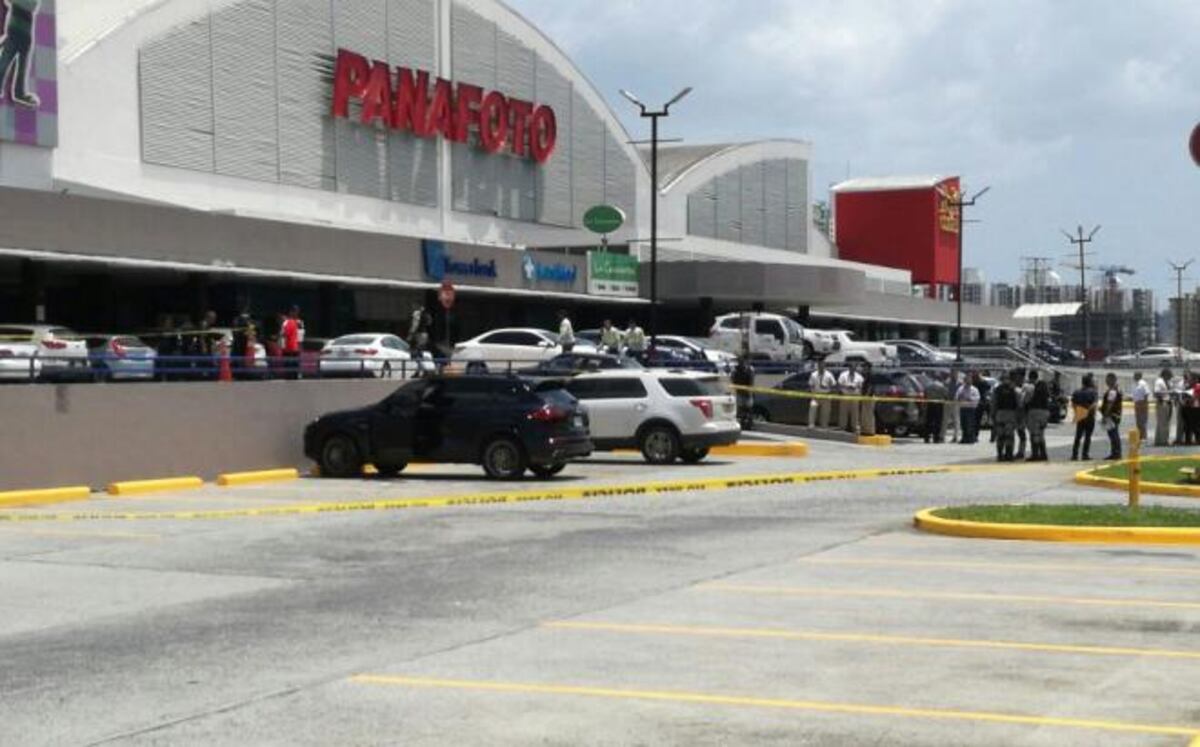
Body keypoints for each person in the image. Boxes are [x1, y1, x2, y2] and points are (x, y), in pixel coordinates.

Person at [0, 0, 41, 109]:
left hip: (24, 34)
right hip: (15, 31)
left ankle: (19, 92)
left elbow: (32, 6)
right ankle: (19, 93)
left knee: (22, 67)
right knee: (5, 62)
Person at [1070, 373, 1099, 461]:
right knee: (1088, 436)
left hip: (1080, 413)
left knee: (1078, 436)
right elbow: (1094, 404)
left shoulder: (1077, 391)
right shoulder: (1093, 391)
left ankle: (1074, 454)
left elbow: (1073, 403)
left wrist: (1077, 412)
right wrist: (1089, 410)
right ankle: (1085, 454)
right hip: (1089, 415)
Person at [991, 372, 1019, 462]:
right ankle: (1009, 454)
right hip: (1010, 414)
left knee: (1001, 435)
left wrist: (993, 414)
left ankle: (1000, 455)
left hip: (1000, 413)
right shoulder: (1013, 389)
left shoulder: (997, 389)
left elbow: (994, 403)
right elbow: (1018, 403)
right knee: (1009, 435)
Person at [1026, 370, 1051, 462]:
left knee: (1034, 433)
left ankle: (1035, 454)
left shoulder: (1032, 387)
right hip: (1045, 411)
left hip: (1035, 411)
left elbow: (1027, 399)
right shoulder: (1044, 385)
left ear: (1031, 378)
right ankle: (1043, 454)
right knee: (1041, 433)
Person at [1099, 372, 1123, 460]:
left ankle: (1116, 453)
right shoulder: (1116, 390)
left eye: (1107, 379)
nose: (1106, 381)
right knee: (1113, 434)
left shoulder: (1112, 391)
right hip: (1115, 415)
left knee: (1113, 434)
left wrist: (1105, 416)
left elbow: (1110, 404)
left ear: (1112, 380)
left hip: (1112, 416)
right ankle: (1115, 452)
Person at [808, 360, 836, 428]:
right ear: (818, 366)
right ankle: (811, 425)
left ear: (824, 366)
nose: (821, 367)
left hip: (826, 395)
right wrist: (813, 393)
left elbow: (834, 384)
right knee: (813, 407)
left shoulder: (829, 375)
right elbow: (810, 385)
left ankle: (824, 425)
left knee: (825, 412)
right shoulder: (813, 374)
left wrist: (828, 386)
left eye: (822, 365)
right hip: (816, 395)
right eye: (819, 365)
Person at [837, 363, 864, 435]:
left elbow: (861, 387)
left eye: (854, 367)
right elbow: (839, 384)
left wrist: (855, 388)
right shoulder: (843, 375)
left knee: (855, 412)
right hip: (845, 395)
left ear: (855, 368)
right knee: (843, 412)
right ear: (849, 368)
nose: (852, 369)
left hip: (855, 396)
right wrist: (846, 387)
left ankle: (854, 427)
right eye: (851, 367)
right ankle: (842, 427)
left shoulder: (859, 377)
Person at [922, 372, 948, 443]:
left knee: (928, 421)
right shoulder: (942, 386)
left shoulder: (928, 385)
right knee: (938, 422)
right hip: (939, 405)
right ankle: (936, 438)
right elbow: (946, 395)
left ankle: (926, 437)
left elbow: (925, 394)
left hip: (930, 404)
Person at [955, 373, 980, 444]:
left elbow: (977, 398)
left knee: (970, 424)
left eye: (969, 380)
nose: (967, 382)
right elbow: (956, 397)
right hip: (963, 408)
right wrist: (959, 397)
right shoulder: (961, 389)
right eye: (966, 380)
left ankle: (971, 438)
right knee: (963, 424)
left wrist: (970, 399)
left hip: (971, 409)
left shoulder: (974, 389)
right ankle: (964, 438)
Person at [731, 355, 755, 430]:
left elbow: (751, 381)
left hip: (745, 392)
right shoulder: (736, 370)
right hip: (742, 392)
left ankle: (747, 423)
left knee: (747, 409)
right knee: (743, 409)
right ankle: (744, 423)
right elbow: (733, 380)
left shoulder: (748, 369)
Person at [281, 305, 303, 380]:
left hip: (293, 348)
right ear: (291, 312)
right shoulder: (289, 322)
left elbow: (284, 334)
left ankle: (293, 377)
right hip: (290, 348)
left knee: (292, 367)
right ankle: (291, 377)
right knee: (291, 367)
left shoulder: (297, 322)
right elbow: (284, 335)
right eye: (295, 311)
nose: (297, 313)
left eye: (297, 312)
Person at [1013, 369, 1032, 460]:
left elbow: (1024, 401)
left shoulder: (1026, 387)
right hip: (1015, 412)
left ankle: (1021, 451)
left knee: (1022, 433)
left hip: (1022, 413)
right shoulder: (1015, 387)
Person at [1154, 368, 1173, 447]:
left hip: (1168, 402)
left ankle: (1159, 440)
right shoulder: (1159, 382)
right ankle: (1163, 441)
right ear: (1165, 374)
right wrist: (1168, 392)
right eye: (1169, 376)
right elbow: (1156, 392)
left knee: (1164, 423)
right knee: (1163, 423)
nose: (1170, 378)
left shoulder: (1168, 382)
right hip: (1162, 402)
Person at [1131, 372, 1151, 442]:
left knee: (1142, 421)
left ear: (1138, 376)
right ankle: (1140, 436)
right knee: (1138, 421)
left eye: (1135, 375)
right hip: (1137, 403)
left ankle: (1144, 437)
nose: (1133, 376)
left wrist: (1144, 404)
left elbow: (1146, 394)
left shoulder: (1143, 384)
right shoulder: (1135, 384)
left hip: (1142, 403)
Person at [944, 371, 962, 443]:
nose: (954, 375)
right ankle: (942, 436)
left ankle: (955, 437)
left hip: (956, 403)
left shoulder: (960, 383)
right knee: (945, 420)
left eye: (955, 374)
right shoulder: (947, 382)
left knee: (956, 420)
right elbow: (945, 390)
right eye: (953, 373)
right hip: (947, 402)